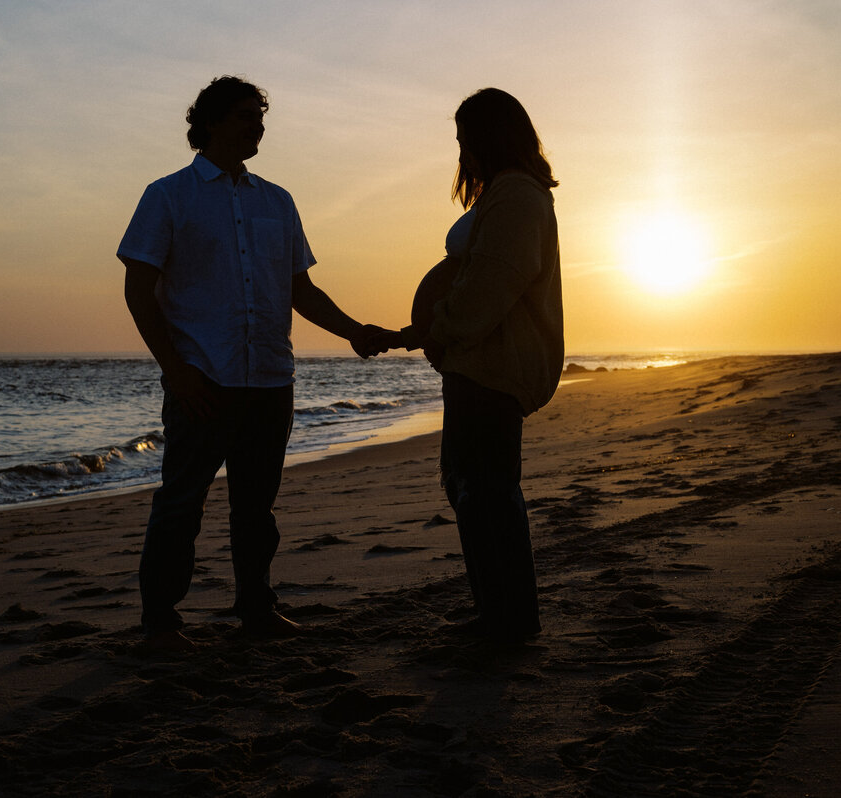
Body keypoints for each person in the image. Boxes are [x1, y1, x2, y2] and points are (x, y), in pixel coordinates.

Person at [118, 76, 386, 650]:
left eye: (259, 117)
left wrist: (355, 332)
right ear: (209, 121)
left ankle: (256, 607)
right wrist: (176, 369)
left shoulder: (277, 201)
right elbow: (139, 290)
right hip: (203, 380)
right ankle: (161, 620)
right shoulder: (168, 195)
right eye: (245, 115)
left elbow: (301, 290)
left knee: (256, 509)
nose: (257, 126)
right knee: (181, 504)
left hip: (269, 378)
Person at [373, 88, 563, 644]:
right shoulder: (501, 194)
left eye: (464, 138)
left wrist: (439, 331)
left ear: (489, 137)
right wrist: (431, 334)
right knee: (471, 488)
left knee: (486, 491)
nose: (460, 150)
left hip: (490, 365)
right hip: (472, 363)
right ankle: (498, 615)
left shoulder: (518, 197)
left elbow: (490, 286)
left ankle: (508, 622)